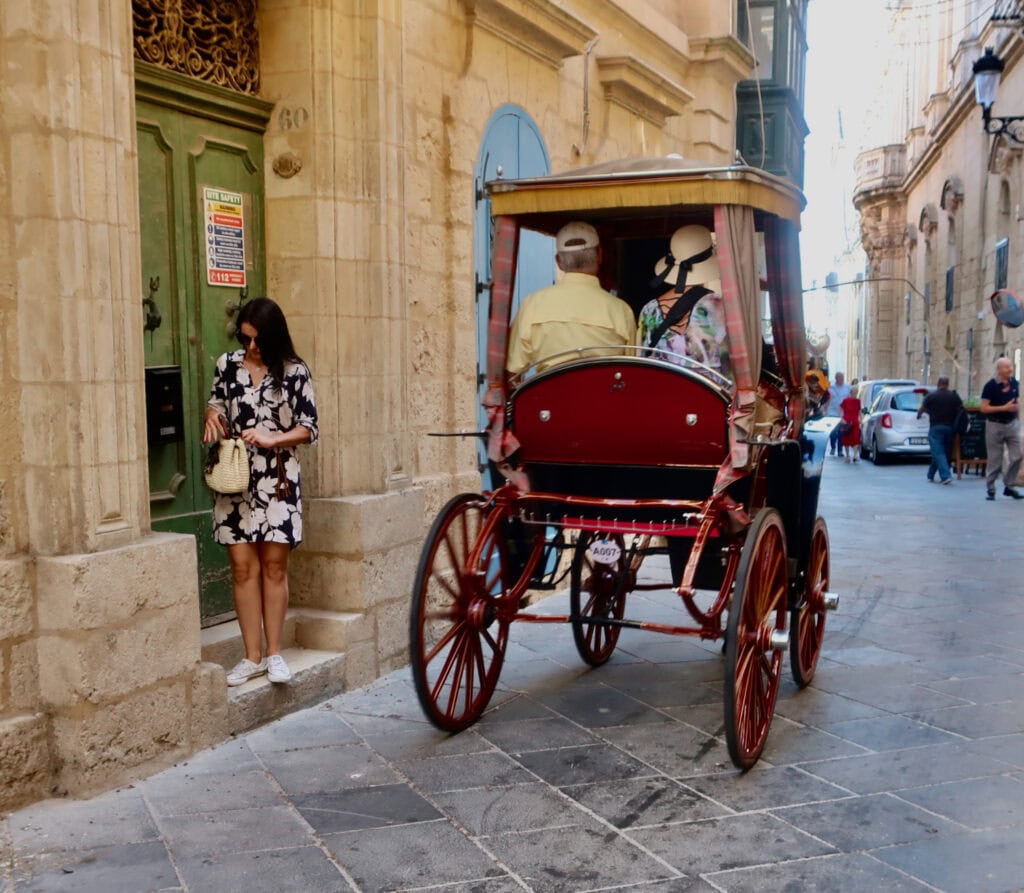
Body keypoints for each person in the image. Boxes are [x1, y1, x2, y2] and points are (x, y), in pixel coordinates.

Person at [203, 297, 319, 686]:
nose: (252, 347)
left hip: (279, 480)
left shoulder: (295, 371)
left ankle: (274, 654)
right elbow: (216, 402)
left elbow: (309, 428)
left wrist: (273, 439)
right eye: (246, 338)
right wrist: (213, 417)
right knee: (241, 567)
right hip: (234, 479)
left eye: (259, 339)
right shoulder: (227, 365)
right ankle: (251, 656)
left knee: (273, 566)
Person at [506, 221, 635, 374]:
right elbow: (631, 371)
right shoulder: (620, 310)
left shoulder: (532, 305)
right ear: (600, 255)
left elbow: (513, 369)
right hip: (603, 396)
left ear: (559, 262)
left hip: (550, 396)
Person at [636, 225, 728, 376]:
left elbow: (641, 360)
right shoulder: (718, 306)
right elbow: (730, 365)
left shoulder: (649, 310)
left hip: (660, 395)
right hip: (708, 396)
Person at [980, 357, 1023, 500]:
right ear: (999, 370)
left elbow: (1016, 402)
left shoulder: (1014, 383)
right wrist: (1003, 408)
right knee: (995, 459)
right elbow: (984, 408)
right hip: (995, 424)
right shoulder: (990, 386)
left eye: (1010, 366)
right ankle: (991, 488)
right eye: (1006, 367)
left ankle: (1009, 485)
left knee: (1018, 455)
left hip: (1011, 424)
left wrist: (1017, 418)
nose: (1010, 369)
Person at [916, 376, 963, 485]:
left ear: (938, 384)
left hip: (935, 428)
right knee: (942, 452)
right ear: (948, 384)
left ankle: (945, 476)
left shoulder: (931, 396)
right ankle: (930, 475)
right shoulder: (954, 396)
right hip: (950, 428)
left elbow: (922, 408)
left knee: (938, 452)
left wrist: (919, 415)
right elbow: (961, 409)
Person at [826, 371, 852, 456]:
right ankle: (833, 447)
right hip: (832, 412)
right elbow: (827, 400)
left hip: (842, 413)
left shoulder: (847, 388)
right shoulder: (831, 388)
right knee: (833, 432)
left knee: (841, 431)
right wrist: (825, 410)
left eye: (842, 378)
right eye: (840, 377)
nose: (841, 379)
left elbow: (850, 399)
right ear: (836, 378)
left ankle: (840, 450)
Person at [839, 390, 861, 462]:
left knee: (856, 438)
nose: (855, 395)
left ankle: (855, 455)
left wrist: (861, 419)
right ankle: (847, 456)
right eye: (854, 393)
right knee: (846, 439)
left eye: (856, 393)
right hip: (846, 421)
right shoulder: (846, 400)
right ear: (851, 393)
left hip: (855, 421)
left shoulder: (858, 401)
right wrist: (841, 418)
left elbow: (859, 411)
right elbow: (841, 408)